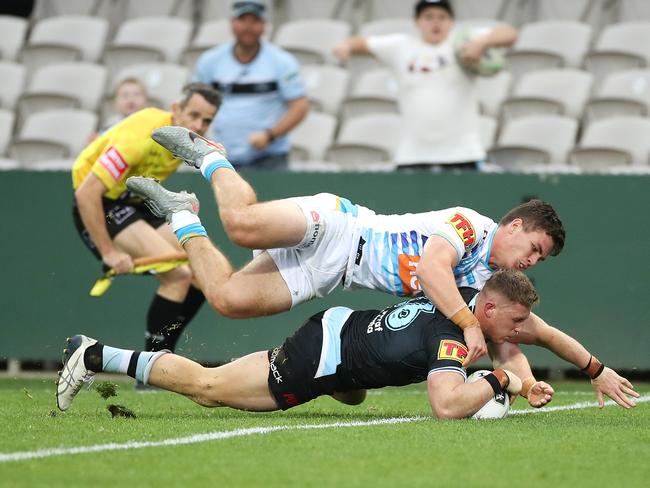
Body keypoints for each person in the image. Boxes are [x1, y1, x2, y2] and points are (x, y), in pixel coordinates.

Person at [125, 126, 639, 409]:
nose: (533, 261)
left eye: (541, 259)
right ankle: (213, 157)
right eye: (534, 247)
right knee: (240, 224)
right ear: (513, 225)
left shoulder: (489, 287)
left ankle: (180, 216)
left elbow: (521, 339)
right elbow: (435, 270)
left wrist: (554, 379)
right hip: (340, 228)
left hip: (331, 273)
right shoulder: (471, 226)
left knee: (227, 301)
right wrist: (464, 323)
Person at [57, 270, 554, 419]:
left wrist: (527, 381)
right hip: (324, 356)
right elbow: (447, 406)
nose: (520, 330)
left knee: (355, 391)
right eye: (516, 321)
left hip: (343, 330)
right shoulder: (452, 340)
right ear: (488, 311)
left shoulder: (465, 296)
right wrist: (501, 380)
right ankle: (95, 354)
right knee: (209, 387)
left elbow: (510, 345)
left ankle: (343, 379)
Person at [71, 83, 220, 367]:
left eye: (207, 121)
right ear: (175, 109)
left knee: (204, 273)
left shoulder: (185, 138)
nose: (199, 125)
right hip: (103, 205)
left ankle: (165, 360)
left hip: (135, 204)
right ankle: (152, 369)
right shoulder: (141, 137)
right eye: (194, 115)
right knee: (177, 276)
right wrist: (108, 253)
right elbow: (86, 194)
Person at [333, 0, 518, 171]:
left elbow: (510, 34)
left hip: (463, 155)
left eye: (442, 17)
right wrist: (346, 45)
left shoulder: (463, 42)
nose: (435, 23)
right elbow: (362, 43)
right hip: (412, 156)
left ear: (451, 22)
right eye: (428, 17)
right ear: (417, 22)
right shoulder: (401, 46)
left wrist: (481, 43)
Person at [192, 0, 309, 169]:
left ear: (264, 25)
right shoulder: (210, 61)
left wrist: (270, 135)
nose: (248, 27)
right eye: (242, 20)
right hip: (220, 156)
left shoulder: (282, 62)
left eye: (254, 21)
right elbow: (195, 101)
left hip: (270, 159)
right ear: (232, 23)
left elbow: (300, 106)